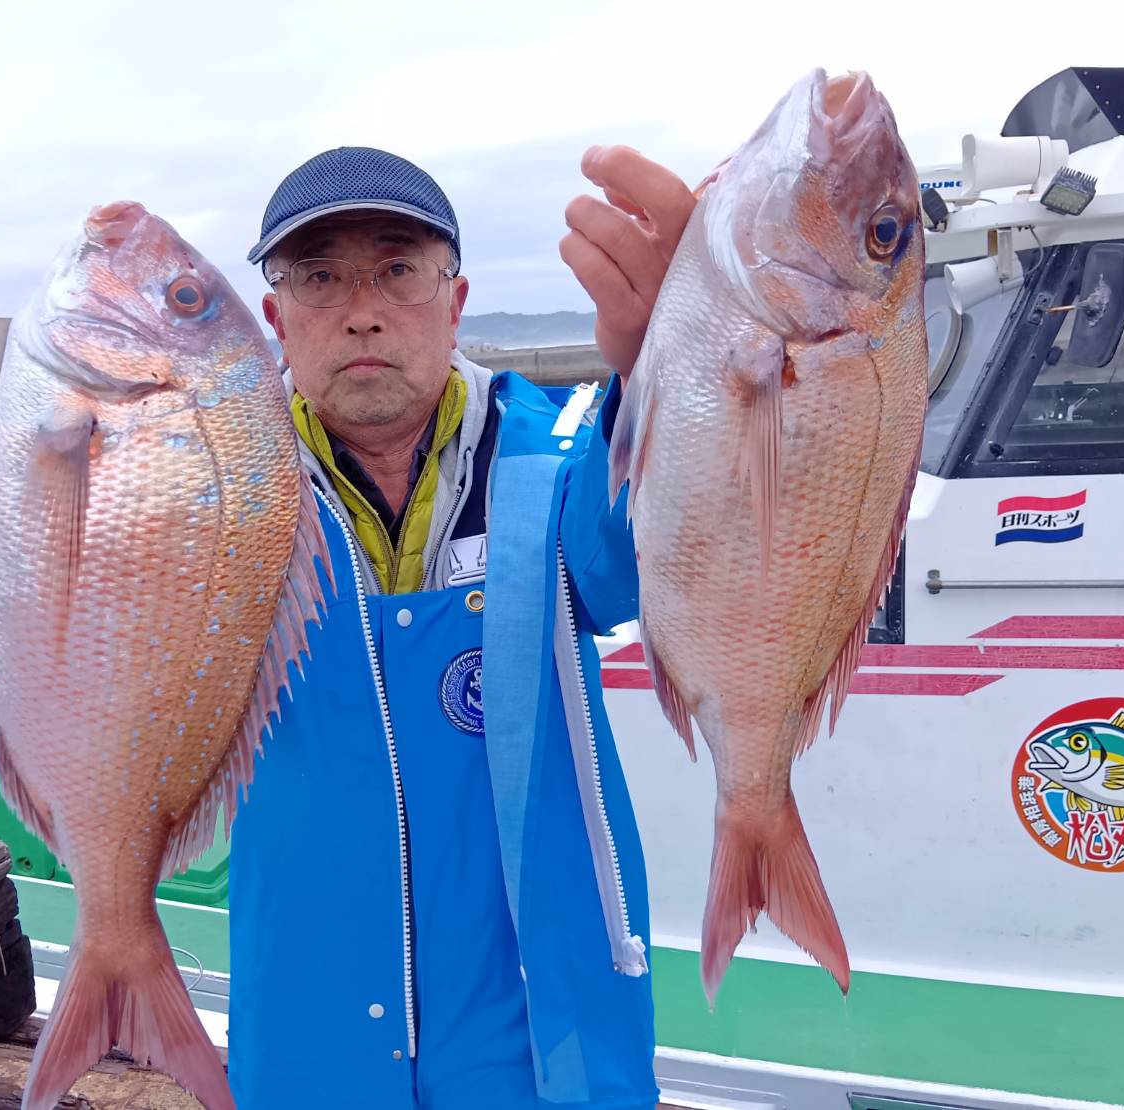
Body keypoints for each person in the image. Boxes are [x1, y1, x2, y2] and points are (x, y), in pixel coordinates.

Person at [227, 144, 694, 1110]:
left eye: (399, 269)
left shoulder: (557, 454)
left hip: (539, 1026)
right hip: (310, 1024)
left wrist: (666, 368)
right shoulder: (220, 500)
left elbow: (619, 566)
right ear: (277, 319)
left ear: (456, 302)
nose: (362, 310)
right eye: (320, 277)